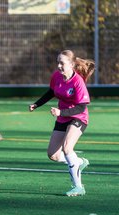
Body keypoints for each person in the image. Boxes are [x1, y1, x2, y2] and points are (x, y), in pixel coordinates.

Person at [29, 49, 94, 197]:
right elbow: (51, 92)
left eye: (62, 63)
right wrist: (37, 104)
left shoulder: (78, 82)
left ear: (71, 65)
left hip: (78, 117)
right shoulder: (57, 76)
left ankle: (78, 187)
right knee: (53, 155)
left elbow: (81, 107)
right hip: (63, 117)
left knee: (67, 148)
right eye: (57, 62)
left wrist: (61, 112)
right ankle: (78, 162)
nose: (59, 66)